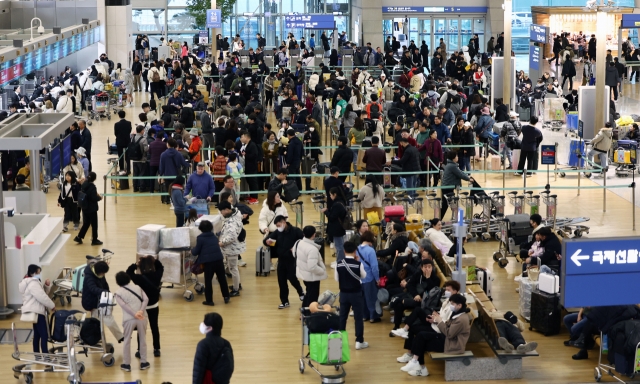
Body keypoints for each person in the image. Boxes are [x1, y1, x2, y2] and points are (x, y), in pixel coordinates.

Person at [398, 293, 470, 377]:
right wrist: (437, 319)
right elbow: (448, 327)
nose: (451, 306)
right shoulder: (457, 314)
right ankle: (418, 365)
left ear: (459, 305)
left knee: (421, 337)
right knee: (420, 337)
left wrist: (439, 321)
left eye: (453, 304)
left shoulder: (461, 319)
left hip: (452, 345)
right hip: (447, 340)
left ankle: (417, 363)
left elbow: (449, 334)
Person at [263, 215, 305, 309]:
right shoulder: (278, 232)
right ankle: (285, 301)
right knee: (281, 281)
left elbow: (303, 241)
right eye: (277, 226)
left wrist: (295, 248)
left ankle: (301, 292)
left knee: (292, 278)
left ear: (284, 222)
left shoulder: (295, 231)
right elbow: (267, 239)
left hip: (291, 259)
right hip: (281, 259)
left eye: (279, 225)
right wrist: (267, 242)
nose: (278, 228)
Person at [126, 256, 164, 358]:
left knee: (141, 329)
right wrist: (153, 260)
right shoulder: (157, 275)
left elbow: (128, 272)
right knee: (154, 327)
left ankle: (139, 350)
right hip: (154, 306)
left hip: (142, 308)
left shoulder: (138, 279)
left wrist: (136, 264)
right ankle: (156, 349)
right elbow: (161, 267)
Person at [335, 241, 369, 350]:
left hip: (344, 294)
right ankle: (359, 341)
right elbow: (364, 276)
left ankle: (339, 341)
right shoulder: (359, 264)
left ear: (344, 251)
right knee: (358, 318)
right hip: (356, 294)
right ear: (355, 251)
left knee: (342, 317)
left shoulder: (339, 264)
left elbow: (337, 279)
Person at [114, 272, 150, 372]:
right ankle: (143, 362)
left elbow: (124, 306)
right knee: (142, 339)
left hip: (129, 319)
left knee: (127, 341)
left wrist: (134, 314)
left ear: (118, 282)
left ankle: (126, 364)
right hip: (142, 317)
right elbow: (146, 299)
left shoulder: (118, 293)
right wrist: (140, 311)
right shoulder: (138, 287)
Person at [81, 260, 124, 342]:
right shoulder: (89, 277)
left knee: (97, 321)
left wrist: (108, 292)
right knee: (103, 319)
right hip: (92, 302)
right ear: (99, 271)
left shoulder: (99, 273)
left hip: (100, 300)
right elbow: (93, 288)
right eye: (103, 273)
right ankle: (95, 339)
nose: (104, 275)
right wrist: (104, 292)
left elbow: (104, 284)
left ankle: (94, 339)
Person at [191, 219, 230, 306]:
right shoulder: (214, 237)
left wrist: (191, 250)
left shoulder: (200, 238)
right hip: (219, 259)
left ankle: (209, 301)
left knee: (208, 281)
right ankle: (226, 296)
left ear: (200, 228)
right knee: (222, 279)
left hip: (208, 262)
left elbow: (196, 251)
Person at [19, 264, 56, 354]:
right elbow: (42, 297)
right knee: (44, 334)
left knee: (37, 335)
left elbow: (42, 294)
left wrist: (47, 286)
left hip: (35, 310)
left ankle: (37, 354)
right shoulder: (33, 283)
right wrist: (52, 305)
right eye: (38, 272)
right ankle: (45, 356)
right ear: (33, 273)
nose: (39, 274)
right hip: (37, 311)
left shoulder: (28, 281)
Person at [192, 312, 234, 384]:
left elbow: (198, 371)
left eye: (205, 324)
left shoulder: (203, 345)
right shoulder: (226, 344)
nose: (202, 325)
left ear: (210, 328)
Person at [295, 225, 327, 307]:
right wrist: (322, 271)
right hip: (312, 276)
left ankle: (303, 312)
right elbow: (312, 267)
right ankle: (309, 315)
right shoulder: (312, 249)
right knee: (312, 297)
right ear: (314, 234)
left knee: (308, 293)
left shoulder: (300, 243)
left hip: (304, 274)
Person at [217, 201, 245, 297]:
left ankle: (236, 289)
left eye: (222, 211)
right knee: (233, 268)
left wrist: (222, 242)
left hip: (232, 249)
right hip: (233, 248)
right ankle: (237, 285)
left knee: (233, 269)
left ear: (227, 210)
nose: (221, 213)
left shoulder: (232, 222)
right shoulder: (234, 215)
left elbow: (232, 237)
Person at [441, 151, 473, 219]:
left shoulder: (451, 164)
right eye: (456, 156)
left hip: (446, 187)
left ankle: (456, 217)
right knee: (451, 204)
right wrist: (469, 179)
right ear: (453, 158)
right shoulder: (452, 166)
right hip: (447, 188)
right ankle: (458, 218)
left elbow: (460, 172)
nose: (457, 157)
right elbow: (460, 174)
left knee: (448, 204)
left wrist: (467, 177)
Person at [357, 231, 380, 323]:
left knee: (362, 298)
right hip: (369, 277)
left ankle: (364, 315)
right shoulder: (371, 250)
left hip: (359, 278)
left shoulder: (357, 249)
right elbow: (374, 267)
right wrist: (377, 278)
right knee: (371, 297)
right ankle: (373, 316)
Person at [74, 172, 103, 245]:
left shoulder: (84, 184)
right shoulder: (92, 186)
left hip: (85, 207)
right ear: (95, 178)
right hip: (92, 208)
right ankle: (94, 240)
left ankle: (79, 237)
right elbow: (93, 198)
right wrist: (99, 198)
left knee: (86, 223)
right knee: (94, 224)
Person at [323, 186, 348, 265]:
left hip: (337, 228)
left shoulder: (337, 204)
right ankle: (339, 260)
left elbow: (332, 217)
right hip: (339, 227)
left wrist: (326, 212)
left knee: (339, 246)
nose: (330, 197)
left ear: (335, 194)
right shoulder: (341, 202)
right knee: (339, 245)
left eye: (330, 195)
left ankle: (340, 261)